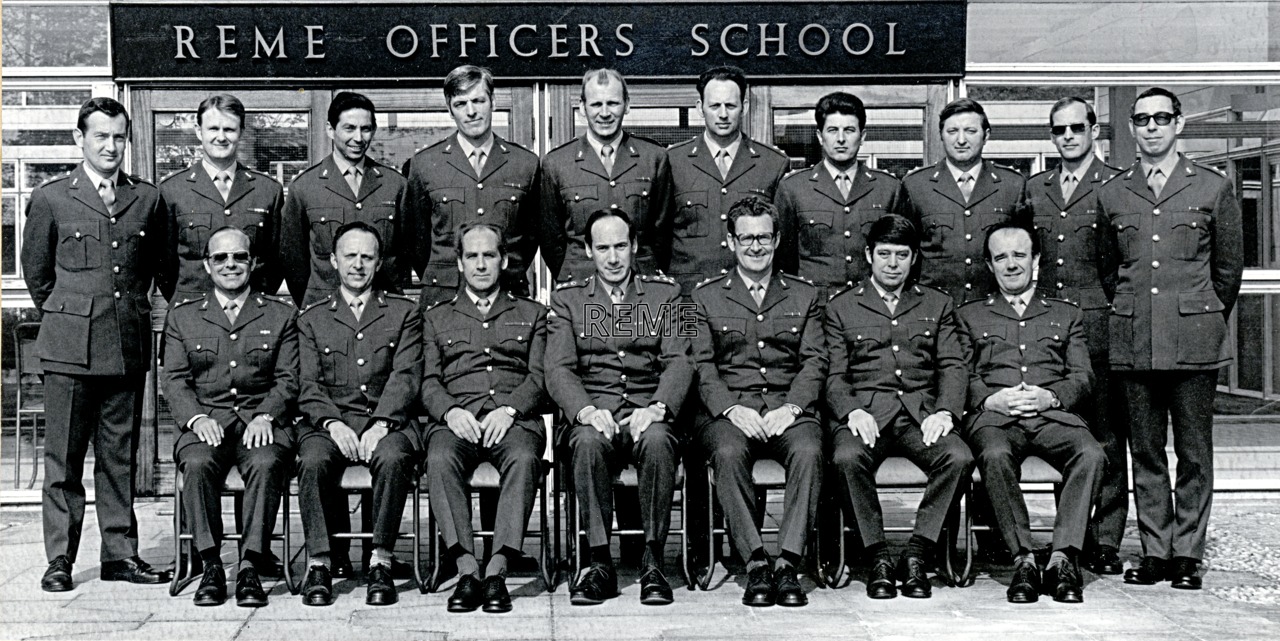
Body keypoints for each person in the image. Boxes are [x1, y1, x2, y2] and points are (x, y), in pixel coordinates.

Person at [23, 97, 174, 592]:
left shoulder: (146, 199)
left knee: (119, 457)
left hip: (125, 346)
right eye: (101, 136)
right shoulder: (52, 198)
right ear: (79, 139)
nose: (111, 146)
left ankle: (119, 555)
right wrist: (73, 315)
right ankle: (60, 559)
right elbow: (38, 276)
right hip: (68, 349)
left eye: (118, 137)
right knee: (63, 460)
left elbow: (160, 268)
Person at [1097, 87, 1244, 590]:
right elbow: (1108, 269)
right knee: (1146, 451)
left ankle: (1188, 554)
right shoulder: (1114, 192)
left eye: (1162, 117)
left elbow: (1228, 271)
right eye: (1142, 119)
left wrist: (1195, 315)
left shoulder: (1211, 186)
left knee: (1195, 452)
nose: (1152, 127)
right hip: (1135, 339)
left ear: (1179, 124)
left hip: (1193, 341)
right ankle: (1156, 552)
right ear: (1133, 128)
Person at [546, 210, 692, 606]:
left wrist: (659, 406)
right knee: (588, 443)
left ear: (635, 247)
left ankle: (653, 560)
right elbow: (557, 368)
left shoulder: (668, 295)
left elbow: (681, 360)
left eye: (621, 246)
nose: (613, 257)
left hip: (647, 413)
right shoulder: (566, 300)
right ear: (589, 251)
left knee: (661, 440)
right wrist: (587, 410)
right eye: (603, 248)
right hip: (595, 415)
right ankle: (597, 562)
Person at [824, 214, 974, 600]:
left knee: (957, 457)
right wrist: (851, 411)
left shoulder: (937, 304)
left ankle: (918, 553)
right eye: (885, 254)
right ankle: (877, 556)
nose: (893, 263)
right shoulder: (842, 307)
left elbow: (953, 365)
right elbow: (833, 374)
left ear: (914, 258)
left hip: (920, 416)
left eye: (902, 255)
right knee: (845, 458)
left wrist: (946, 412)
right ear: (869, 255)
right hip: (865, 416)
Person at [956, 222, 1104, 604]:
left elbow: (1082, 376)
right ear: (989, 265)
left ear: (1035, 259)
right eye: (1000, 257)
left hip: (1053, 417)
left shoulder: (1064, 314)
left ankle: (1062, 558)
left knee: (1090, 453)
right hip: (996, 420)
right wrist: (990, 400)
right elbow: (959, 375)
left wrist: (1050, 397)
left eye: (1019, 255)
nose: (1011, 265)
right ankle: (1022, 558)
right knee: (993, 454)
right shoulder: (970, 316)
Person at [690, 196, 825, 607]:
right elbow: (700, 363)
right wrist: (731, 408)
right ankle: (754, 563)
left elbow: (815, 360)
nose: (755, 247)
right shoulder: (702, 297)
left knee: (809, 450)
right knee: (728, 453)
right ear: (730, 241)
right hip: (731, 411)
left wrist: (793, 408)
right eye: (746, 238)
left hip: (789, 407)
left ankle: (787, 562)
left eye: (763, 237)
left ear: (778, 239)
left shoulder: (806, 295)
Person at [161, 227, 297, 607]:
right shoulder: (183, 317)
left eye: (239, 257)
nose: (230, 264)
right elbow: (172, 380)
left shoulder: (281, 314)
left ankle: (251, 564)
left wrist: (267, 416)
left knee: (268, 462)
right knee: (197, 462)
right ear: (206, 265)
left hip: (261, 422)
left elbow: (289, 378)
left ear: (253, 263)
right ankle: (210, 565)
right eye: (220, 258)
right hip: (207, 420)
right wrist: (195, 419)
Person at [421, 223, 549, 614]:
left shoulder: (532, 313)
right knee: (439, 459)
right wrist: (450, 410)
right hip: (457, 421)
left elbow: (541, 376)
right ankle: (465, 570)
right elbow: (427, 381)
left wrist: (511, 410)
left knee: (525, 459)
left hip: (514, 423)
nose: (481, 265)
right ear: (459, 263)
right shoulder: (436, 317)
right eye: (472, 257)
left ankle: (497, 570)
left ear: (504, 260)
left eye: (489, 255)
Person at [294, 222, 424, 606]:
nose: (358, 265)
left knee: (394, 456)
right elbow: (308, 384)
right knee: (313, 458)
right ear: (334, 261)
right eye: (350, 256)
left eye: (367, 257)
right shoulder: (312, 318)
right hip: (329, 421)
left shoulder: (403, 312)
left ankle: (380, 559)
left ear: (379, 262)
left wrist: (382, 423)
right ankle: (319, 562)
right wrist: (332, 423)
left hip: (390, 420)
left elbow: (406, 375)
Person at [1022, 97, 1126, 575]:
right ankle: (1068, 534)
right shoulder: (1035, 188)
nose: (1067, 136)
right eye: (1058, 129)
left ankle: (1102, 539)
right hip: (1049, 330)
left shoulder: (1117, 185)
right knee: (1061, 427)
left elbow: (1122, 263)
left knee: (1104, 434)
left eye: (1076, 128)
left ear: (1094, 131)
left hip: (1099, 324)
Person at [406, 65, 542, 309]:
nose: (471, 112)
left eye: (478, 101)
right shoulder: (425, 164)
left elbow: (530, 238)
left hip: (509, 294)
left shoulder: (525, 163)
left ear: (493, 102)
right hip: (445, 299)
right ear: (450, 109)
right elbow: (417, 243)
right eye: (460, 104)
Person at [659, 65, 789, 292]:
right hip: (688, 295)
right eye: (714, 106)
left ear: (744, 107)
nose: (722, 114)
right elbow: (658, 235)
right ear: (700, 108)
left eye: (730, 105)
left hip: (748, 297)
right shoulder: (672, 160)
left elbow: (781, 242)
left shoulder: (772, 163)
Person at [541, 69, 672, 284]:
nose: (604, 113)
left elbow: (662, 234)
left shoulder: (654, 157)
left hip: (641, 284)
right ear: (582, 108)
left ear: (627, 105)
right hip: (580, 287)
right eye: (596, 104)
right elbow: (550, 241)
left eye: (612, 103)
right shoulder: (556, 163)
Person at [280, 92, 410, 306]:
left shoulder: (395, 185)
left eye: (365, 129)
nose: (358, 138)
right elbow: (292, 260)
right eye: (349, 128)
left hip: (383, 309)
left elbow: (405, 254)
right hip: (324, 310)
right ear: (330, 130)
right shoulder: (304, 187)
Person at [775, 92, 902, 300]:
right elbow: (783, 262)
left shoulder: (888, 188)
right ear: (819, 136)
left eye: (849, 130)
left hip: (872, 307)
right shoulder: (793, 188)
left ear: (862, 136)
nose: (841, 139)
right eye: (833, 130)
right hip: (816, 311)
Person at [900, 98, 1027, 306]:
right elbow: (905, 254)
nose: (961, 140)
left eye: (970, 131)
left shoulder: (1012, 185)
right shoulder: (915, 186)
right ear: (941, 135)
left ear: (986, 135)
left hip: (995, 310)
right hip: (933, 311)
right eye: (952, 132)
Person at [161, 94, 285, 303]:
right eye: (213, 129)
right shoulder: (172, 190)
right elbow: (164, 267)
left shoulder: (267, 190)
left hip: (252, 314)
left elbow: (276, 263)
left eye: (229, 129)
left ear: (241, 133)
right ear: (198, 131)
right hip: (191, 317)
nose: (221, 137)